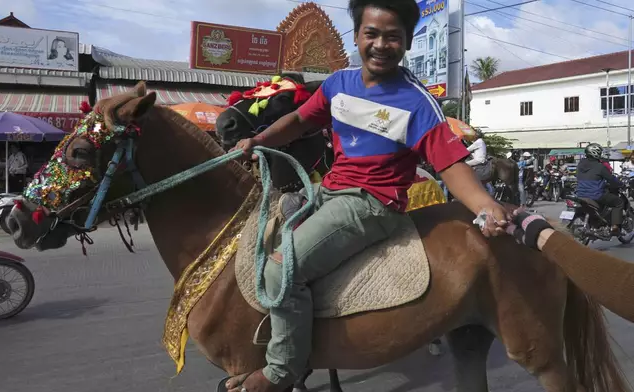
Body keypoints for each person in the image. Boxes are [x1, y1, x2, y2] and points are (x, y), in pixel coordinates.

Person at [226, 1, 511, 391]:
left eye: (393, 36)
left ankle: (281, 371)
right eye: (371, 34)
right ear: (357, 36)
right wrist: (258, 139)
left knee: (282, 268)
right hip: (326, 190)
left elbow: (449, 164)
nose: (381, 44)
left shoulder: (417, 102)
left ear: (408, 41)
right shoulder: (337, 84)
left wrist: (485, 206)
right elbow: (299, 120)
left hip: (371, 205)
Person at [577, 143, 623, 235]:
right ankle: (615, 226)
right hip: (595, 194)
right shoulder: (600, 166)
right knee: (618, 202)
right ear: (596, 153)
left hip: (580, 193)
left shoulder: (580, 165)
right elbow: (611, 179)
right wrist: (621, 184)